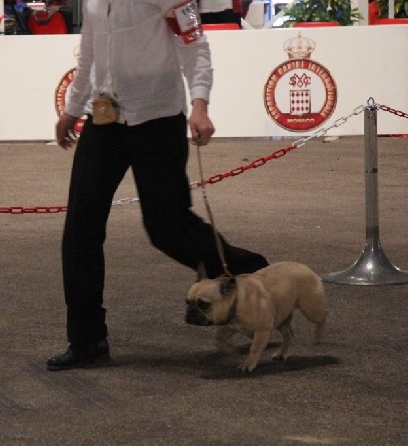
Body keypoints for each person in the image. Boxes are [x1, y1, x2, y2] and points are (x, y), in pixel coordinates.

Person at [48, 0, 268, 371]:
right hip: (103, 120)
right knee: (79, 230)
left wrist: (200, 106)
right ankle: (87, 339)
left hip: (158, 120)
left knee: (168, 229)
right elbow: (89, 52)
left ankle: (254, 274)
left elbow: (194, 45)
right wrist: (72, 108)